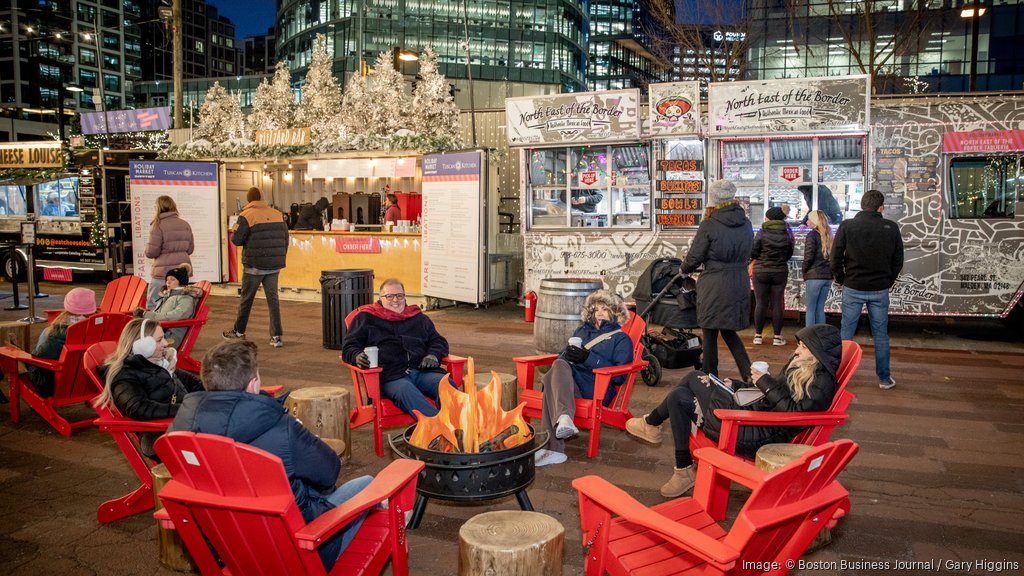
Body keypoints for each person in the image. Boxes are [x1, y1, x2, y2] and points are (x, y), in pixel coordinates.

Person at [168, 339, 373, 571]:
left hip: (230, 546)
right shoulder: (281, 428)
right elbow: (329, 471)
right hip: (302, 550)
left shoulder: (179, 431)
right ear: (253, 384)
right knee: (368, 485)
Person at [625, 323, 841, 498]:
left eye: (803, 347)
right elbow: (775, 397)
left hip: (752, 432)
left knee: (692, 379)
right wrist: (735, 385)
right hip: (752, 418)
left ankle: (652, 424)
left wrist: (765, 382)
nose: (796, 350)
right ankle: (681, 466)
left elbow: (794, 414)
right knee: (679, 397)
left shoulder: (822, 383)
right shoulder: (803, 367)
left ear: (817, 352)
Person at [533, 290, 634, 467]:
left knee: (550, 381)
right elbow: (562, 357)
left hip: (597, 387)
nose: (600, 312)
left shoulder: (621, 339)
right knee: (559, 365)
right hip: (571, 383)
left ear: (615, 313)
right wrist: (568, 355)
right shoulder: (581, 331)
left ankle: (554, 446)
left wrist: (588, 358)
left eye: (605, 308)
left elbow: (620, 376)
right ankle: (563, 420)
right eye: (596, 309)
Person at [92, 317, 204, 458]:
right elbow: (138, 408)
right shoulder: (124, 375)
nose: (165, 343)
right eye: (159, 340)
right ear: (141, 345)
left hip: (183, 426)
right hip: (161, 437)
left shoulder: (159, 364)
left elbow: (195, 384)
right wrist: (187, 409)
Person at [342, 278, 450, 418]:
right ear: (380, 298)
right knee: (406, 390)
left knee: (445, 384)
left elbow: (438, 340)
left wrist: (433, 355)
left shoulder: (418, 318)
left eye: (399, 296)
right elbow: (349, 347)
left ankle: (453, 429)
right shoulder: (366, 318)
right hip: (391, 376)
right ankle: (440, 431)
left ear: (405, 297)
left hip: (422, 371)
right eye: (389, 296)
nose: (395, 300)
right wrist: (357, 356)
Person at [680, 179, 753, 382]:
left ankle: (709, 374)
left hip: (714, 283)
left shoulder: (709, 224)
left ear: (713, 199)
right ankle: (748, 374)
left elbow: (695, 256)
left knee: (710, 331)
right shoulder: (746, 223)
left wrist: (684, 270)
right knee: (729, 331)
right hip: (739, 281)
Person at [831, 189, 904, 389]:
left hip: (853, 286)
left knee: (846, 333)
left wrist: (841, 278)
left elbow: (835, 257)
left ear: (862, 205)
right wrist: (888, 280)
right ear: (881, 208)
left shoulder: (848, 226)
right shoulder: (891, 227)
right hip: (880, 288)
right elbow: (898, 260)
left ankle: (837, 377)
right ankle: (884, 378)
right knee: (880, 335)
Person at [224, 187, 289, 348]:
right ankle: (276, 336)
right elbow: (285, 239)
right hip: (273, 266)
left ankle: (239, 332)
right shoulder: (277, 214)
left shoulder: (246, 215)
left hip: (253, 266)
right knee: (273, 300)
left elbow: (237, 240)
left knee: (246, 300)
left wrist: (235, 228)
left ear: (248, 200)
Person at [27, 287, 96, 397]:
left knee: (30, 362)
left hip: (60, 384)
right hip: (90, 381)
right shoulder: (100, 328)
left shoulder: (56, 333)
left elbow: (39, 356)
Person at [750, 207, 795, 346]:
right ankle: (777, 337)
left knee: (760, 303)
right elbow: (789, 252)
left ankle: (758, 336)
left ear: (769, 218)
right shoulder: (787, 232)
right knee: (777, 304)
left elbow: (753, 251)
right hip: (780, 271)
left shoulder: (762, 232)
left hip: (761, 271)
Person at [144, 195, 195, 309]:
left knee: (154, 304)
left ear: (158, 208)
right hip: (182, 272)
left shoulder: (157, 225)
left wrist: (146, 247)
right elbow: (190, 249)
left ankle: (156, 326)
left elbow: (152, 252)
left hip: (162, 272)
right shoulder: (185, 224)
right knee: (178, 304)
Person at [137, 263, 202, 346]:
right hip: (160, 331)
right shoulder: (166, 295)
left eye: (172, 279)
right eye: (167, 279)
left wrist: (149, 315)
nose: (168, 282)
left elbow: (178, 315)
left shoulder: (185, 298)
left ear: (181, 282)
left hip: (170, 336)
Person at [802, 210, 835, 326]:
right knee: (820, 309)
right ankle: (821, 337)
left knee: (810, 309)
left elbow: (809, 257)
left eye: (809, 219)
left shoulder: (812, 235)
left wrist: (804, 271)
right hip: (827, 277)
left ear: (814, 222)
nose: (806, 221)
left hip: (814, 276)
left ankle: (809, 339)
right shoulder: (829, 234)